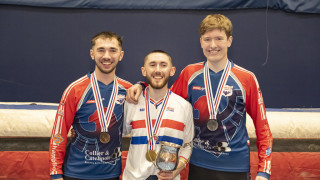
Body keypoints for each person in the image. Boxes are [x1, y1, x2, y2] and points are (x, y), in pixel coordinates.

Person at [126, 14, 273, 180]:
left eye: (219, 38)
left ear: (229, 41)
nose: (213, 45)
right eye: (207, 39)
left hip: (235, 166)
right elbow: (165, 97)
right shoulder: (190, 74)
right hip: (198, 165)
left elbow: (263, 129)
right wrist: (142, 85)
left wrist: (264, 170)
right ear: (201, 41)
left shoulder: (246, 78)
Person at [49, 31, 132, 180]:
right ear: (92, 54)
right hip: (75, 173)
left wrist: (143, 85)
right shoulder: (75, 90)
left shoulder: (129, 90)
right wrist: (55, 173)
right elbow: (58, 133)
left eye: (113, 50)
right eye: (101, 50)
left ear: (121, 55)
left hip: (111, 174)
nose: (106, 56)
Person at [122, 50, 194, 180]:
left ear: (172, 71)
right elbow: (117, 134)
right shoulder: (132, 102)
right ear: (144, 71)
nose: (158, 70)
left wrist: (176, 171)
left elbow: (187, 145)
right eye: (153, 65)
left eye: (163, 65)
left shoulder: (184, 107)